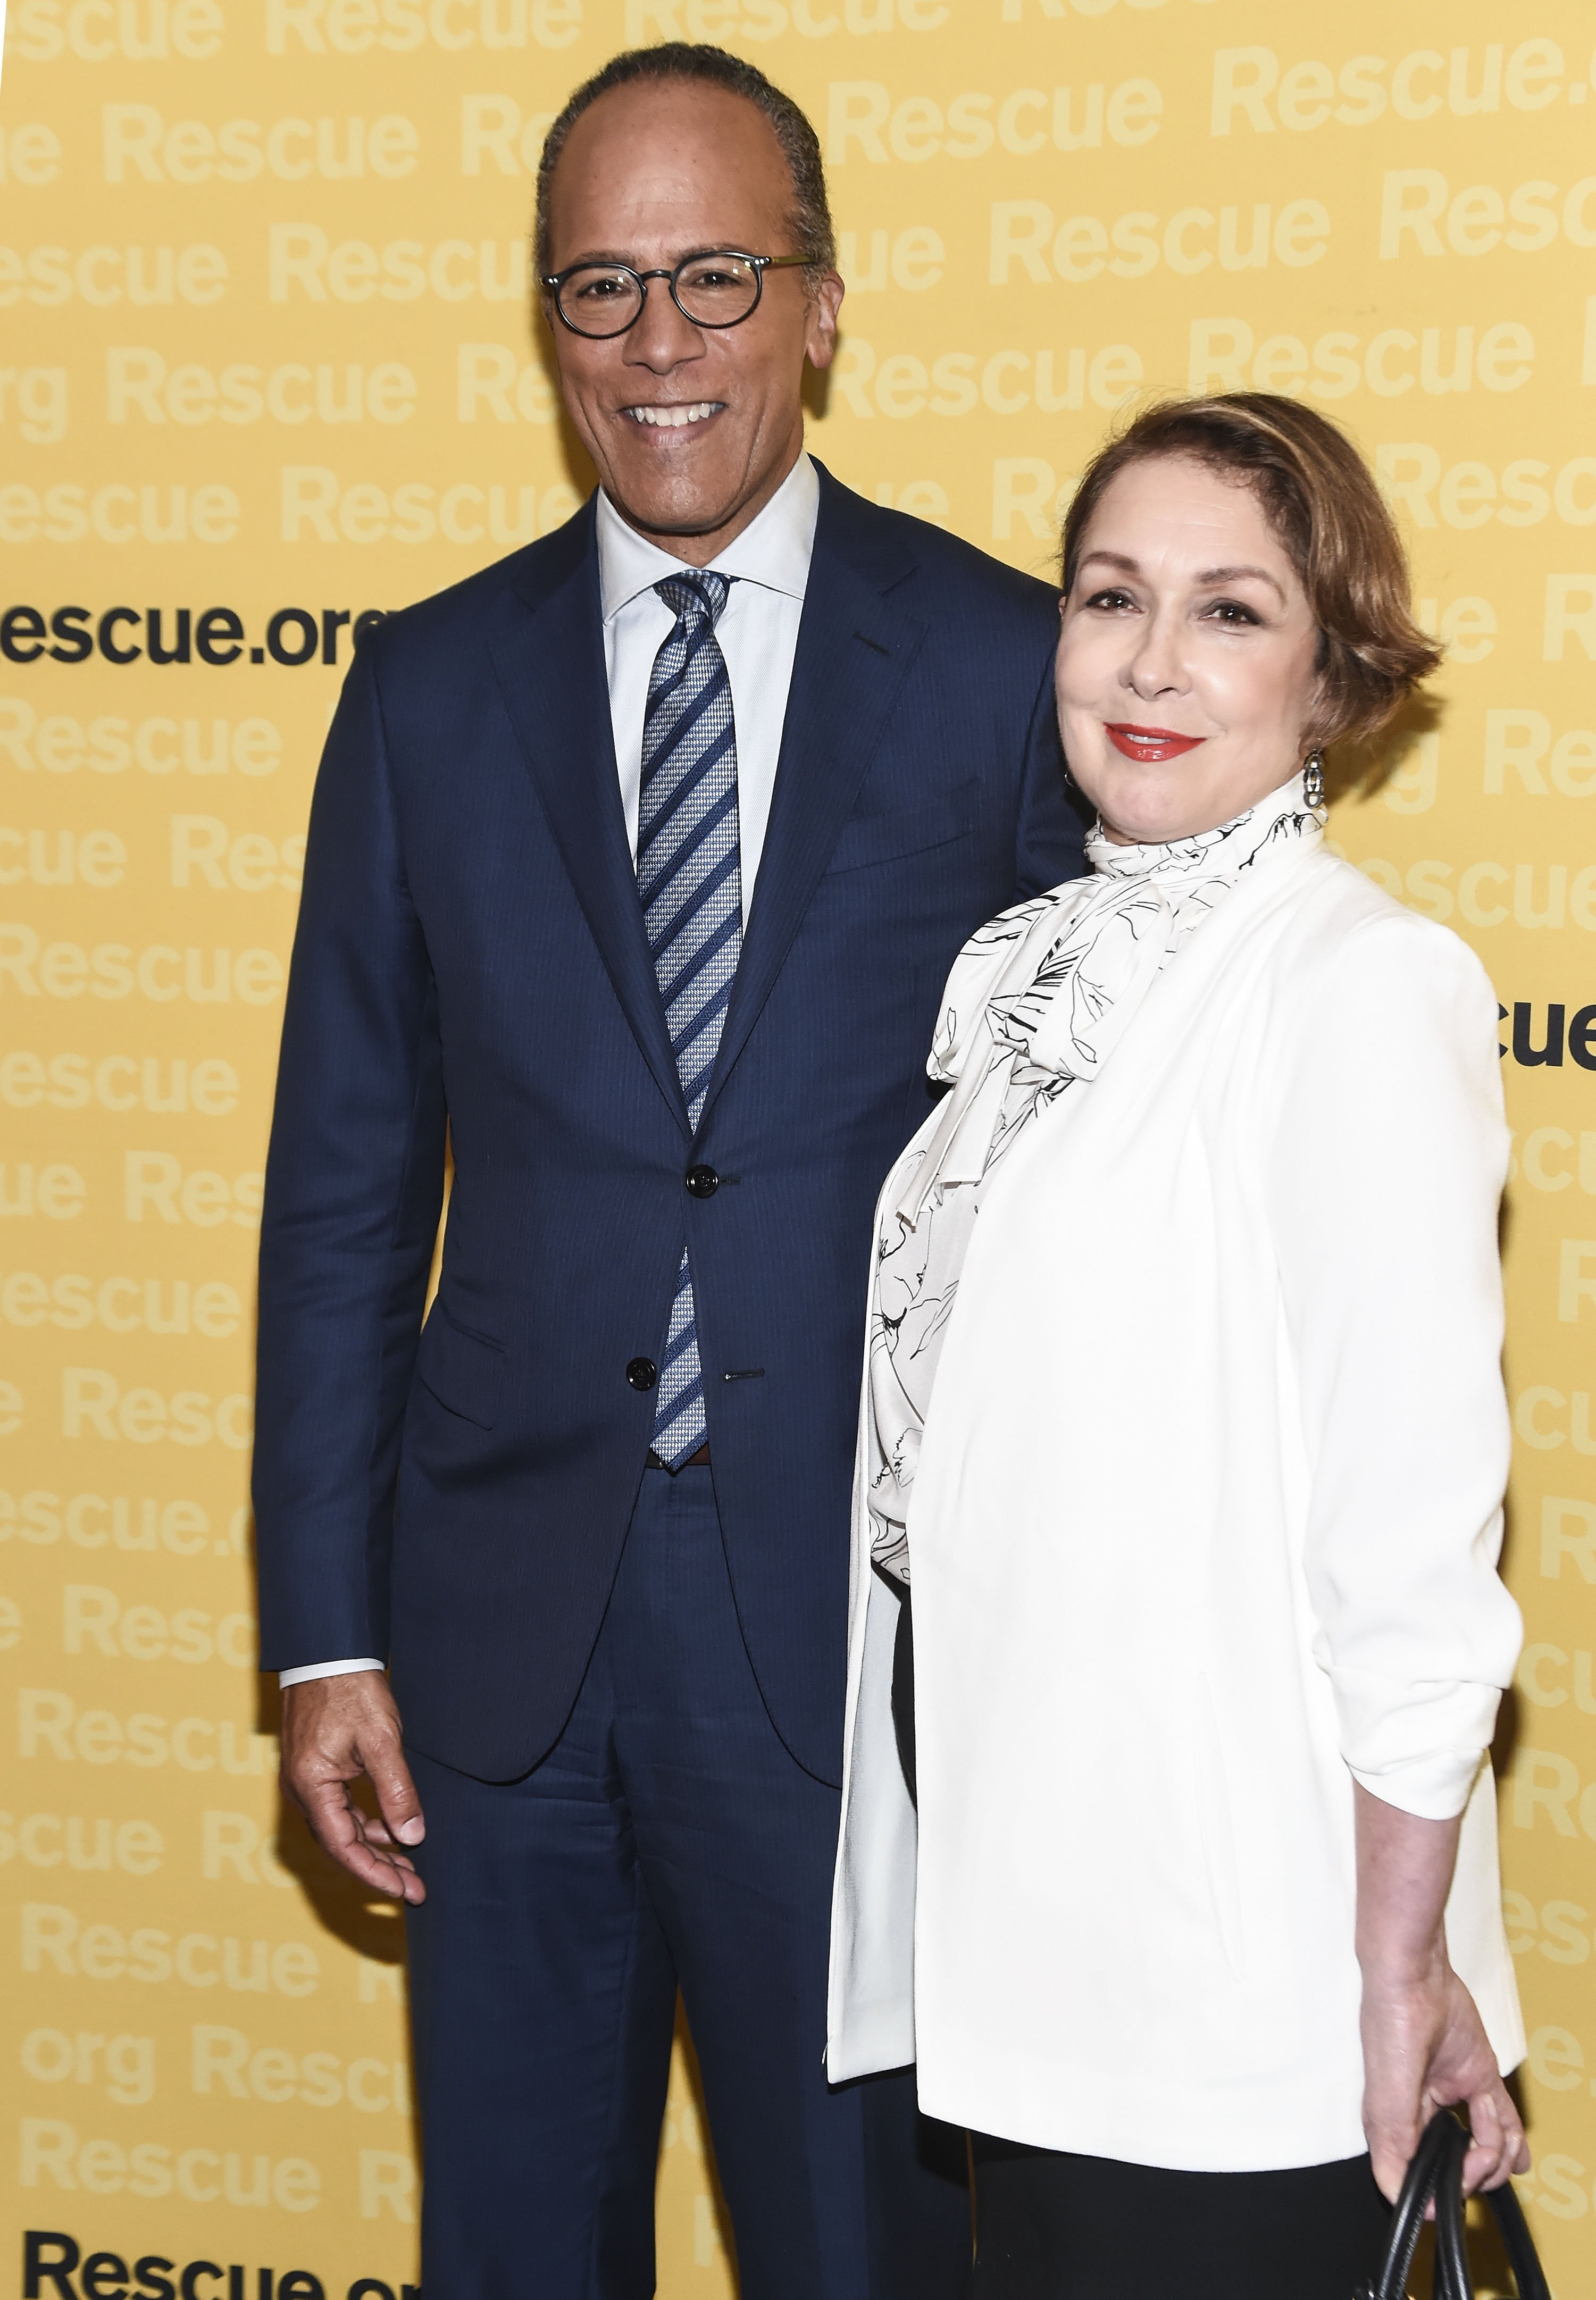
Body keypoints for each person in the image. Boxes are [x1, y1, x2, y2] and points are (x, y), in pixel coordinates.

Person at [252, 40, 1082, 2300]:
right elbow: (342, 1185)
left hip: (854, 1634)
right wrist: (325, 1631)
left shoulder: (1014, 663)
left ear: (824, 302)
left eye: (717, 276)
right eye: (600, 288)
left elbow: (1088, 1190)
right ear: (545, 323)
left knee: (857, 2258)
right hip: (490, 1648)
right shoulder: (425, 687)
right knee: (514, 2253)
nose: (660, 344)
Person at [827, 394, 1528, 2299]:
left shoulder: (1355, 984)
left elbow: (1409, 1561)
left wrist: (1400, 1968)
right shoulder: (1049, 972)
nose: (1147, 662)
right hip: (1042, 1944)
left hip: (1232, 1996)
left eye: (1229, 611)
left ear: (1330, 677)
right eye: (1107, 595)